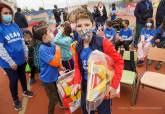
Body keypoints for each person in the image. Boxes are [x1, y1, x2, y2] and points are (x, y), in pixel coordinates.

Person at [71, 8, 124, 114]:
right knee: (86, 110)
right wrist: (77, 82)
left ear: (93, 25)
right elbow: (77, 66)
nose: (83, 28)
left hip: (103, 86)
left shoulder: (103, 43)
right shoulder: (77, 46)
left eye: (86, 25)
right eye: (79, 26)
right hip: (86, 86)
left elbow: (119, 62)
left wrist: (113, 85)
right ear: (75, 28)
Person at [0, 3, 34, 111]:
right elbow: (0, 48)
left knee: (22, 76)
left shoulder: (15, 25)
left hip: (20, 59)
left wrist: (26, 53)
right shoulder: (0, 29)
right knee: (13, 80)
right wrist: (11, 62)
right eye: (5, 13)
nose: (8, 15)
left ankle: (25, 90)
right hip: (9, 63)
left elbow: (22, 41)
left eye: (10, 13)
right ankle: (15, 100)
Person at [34, 23, 62, 114]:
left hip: (54, 76)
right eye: (49, 32)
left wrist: (60, 67)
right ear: (44, 37)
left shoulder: (51, 44)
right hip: (48, 80)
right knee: (53, 100)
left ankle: (61, 103)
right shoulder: (42, 49)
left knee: (58, 91)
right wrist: (58, 50)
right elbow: (55, 62)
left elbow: (57, 60)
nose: (51, 33)